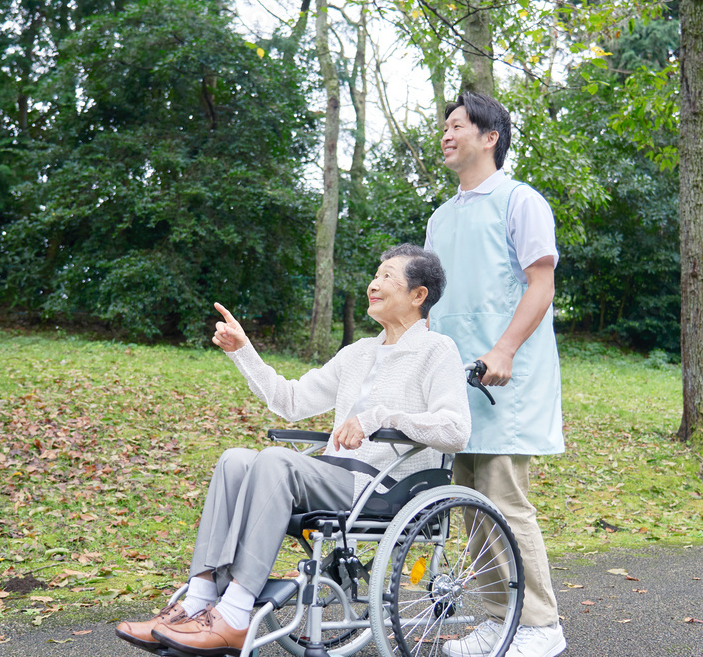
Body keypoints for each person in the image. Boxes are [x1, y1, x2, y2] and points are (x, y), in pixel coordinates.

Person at [115, 244, 471, 656]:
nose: (374, 283)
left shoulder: (437, 350)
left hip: (388, 484)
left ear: (418, 295)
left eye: (388, 276)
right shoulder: (358, 353)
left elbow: (456, 430)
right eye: (376, 274)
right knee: (235, 459)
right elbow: (290, 400)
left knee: (276, 460)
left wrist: (380, 417)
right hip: (338, 476)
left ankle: (234, 614)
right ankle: (196, 601)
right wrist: (242, 351)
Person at [425, 92, 566, 657]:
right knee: (466, 503)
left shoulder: (519, 201)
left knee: (504, 500)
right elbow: (429, 302)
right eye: (444, 126)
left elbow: (541, 282)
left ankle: (540, 626)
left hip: (507, 378)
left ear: (491, 137)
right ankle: (498, 618)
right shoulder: (440, 217)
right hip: (453, 382)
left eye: (457, 125)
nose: (446, 133)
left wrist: (504, 350)